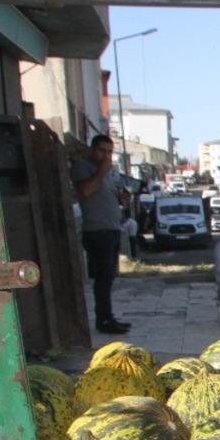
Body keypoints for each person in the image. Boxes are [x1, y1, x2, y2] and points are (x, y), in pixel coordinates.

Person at [72, 135, 130, 335]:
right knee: (102, 277)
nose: (106, 155)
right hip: (97, 231)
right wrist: (102, 171)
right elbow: (86, 190)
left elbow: (113, 194)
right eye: (101, 150)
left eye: (109, 151)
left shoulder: (111, 172)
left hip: (112, 228)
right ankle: (103, 320)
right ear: (92, 150)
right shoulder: (83, 167)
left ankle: (108, 316)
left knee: (109, 277)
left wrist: (123, 197)